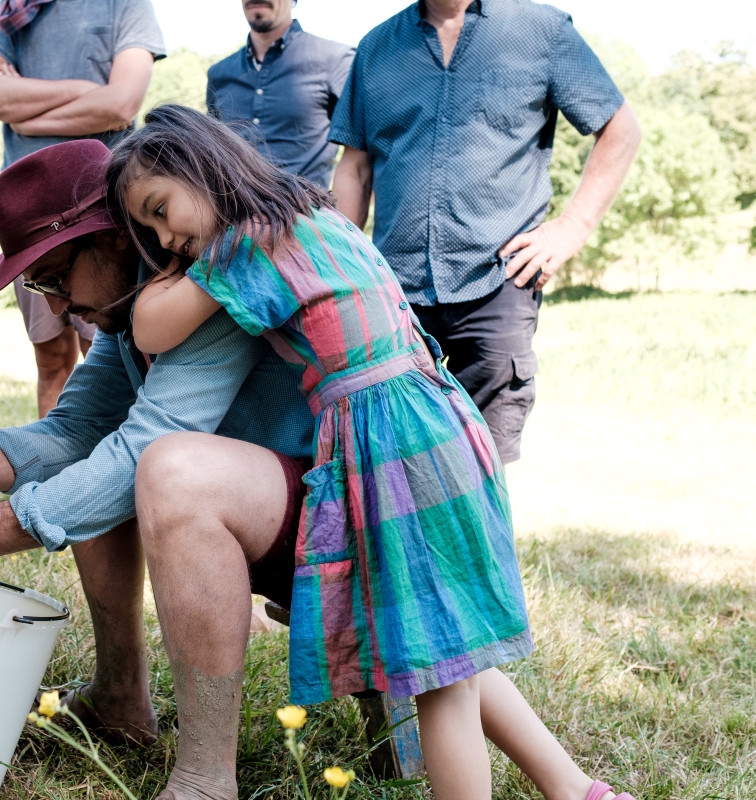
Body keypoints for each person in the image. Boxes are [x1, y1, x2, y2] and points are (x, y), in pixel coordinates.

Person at [111, 104, 637, 800]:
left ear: (201, 167)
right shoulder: (311, 212)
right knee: (451, 649)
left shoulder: (247, 245)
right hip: (437, 420)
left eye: (160, 209)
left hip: (392, 439)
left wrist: (174, 270)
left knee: (438, 684)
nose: (165, 237)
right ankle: (576, 790)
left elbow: (149, 330)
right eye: (148, 231)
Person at [0, 139, 326, 797]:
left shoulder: (208, 292)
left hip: (355, 530)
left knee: (168, 473)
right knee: (101, 472)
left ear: (114, 242)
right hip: (285, 515)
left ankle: (206, 780)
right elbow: (71, 438)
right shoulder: (131, 315)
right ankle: (119, 700)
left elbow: (134, 461)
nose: (60, 308)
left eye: (53, 278)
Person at [330, 0, 641, 468]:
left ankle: (483, 542)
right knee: (397, 457)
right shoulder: (377, 47)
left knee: (483, 461)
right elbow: (354, 167)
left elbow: (621, 129)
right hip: (396, 289)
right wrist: (340, 269)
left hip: (499, 281)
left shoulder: (541, 31)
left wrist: (570, 230)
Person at [0, 0, 165, 417]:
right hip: (29, 231)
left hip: (95, 223)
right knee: (50, 362)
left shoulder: (126, 5)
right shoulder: (13, 10)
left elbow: (121, 104)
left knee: (108, 360)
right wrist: (84, 91)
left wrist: (25, 115)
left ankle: (115, 470)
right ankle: (53, 463)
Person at [206, 0, 353, 188]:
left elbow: (361, 158)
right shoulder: (218, 74)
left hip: (304, 212)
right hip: (232, 214)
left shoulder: (337, 60)